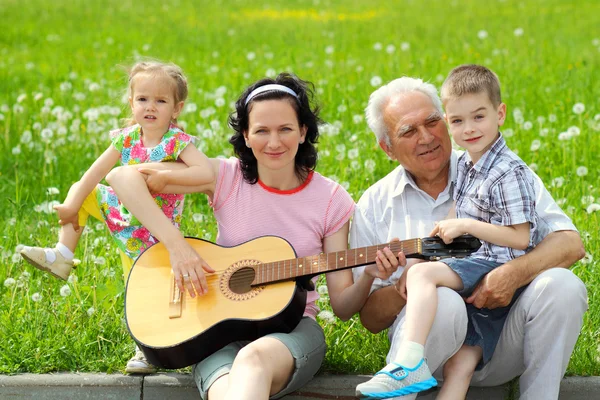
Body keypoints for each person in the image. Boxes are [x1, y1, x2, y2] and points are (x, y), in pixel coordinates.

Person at [105, 73, 386, 400]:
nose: (274, 142)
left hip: (292, 330)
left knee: (252, 362)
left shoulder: (331, 199)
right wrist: (178, 248)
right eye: (262, 131)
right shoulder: (226, 177)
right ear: (247, 137)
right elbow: (121, 176)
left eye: (285, 129)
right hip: (212, 331)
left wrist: (368, 274)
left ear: (303, 131)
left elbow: (342, 305)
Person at [351, 75, 587, 400]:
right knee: (443, 298)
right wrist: (403, 285)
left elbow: (570, 243)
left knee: (564, 285)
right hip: (433, 357)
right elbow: (371, 320)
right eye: (408, 130)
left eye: (432, 122)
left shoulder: (499, 172)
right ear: (387, 148)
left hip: (502, 341)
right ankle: (405, 374)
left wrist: (513, 273)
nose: (426, 137)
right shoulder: (375, 205)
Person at [19, 60, 214, 374]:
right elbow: (93, 174)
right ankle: (63, 255)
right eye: (143, 99)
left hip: (150, 232)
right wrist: (71, 205)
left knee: (138, 289)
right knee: (81, 192)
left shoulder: (176, 143)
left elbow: (206, 171)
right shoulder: (126, 138)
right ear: (131, 102)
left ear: (176, 109)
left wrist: (164, 173)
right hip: (117, 210)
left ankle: (147, 348)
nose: (150, 107)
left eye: (160, 101)